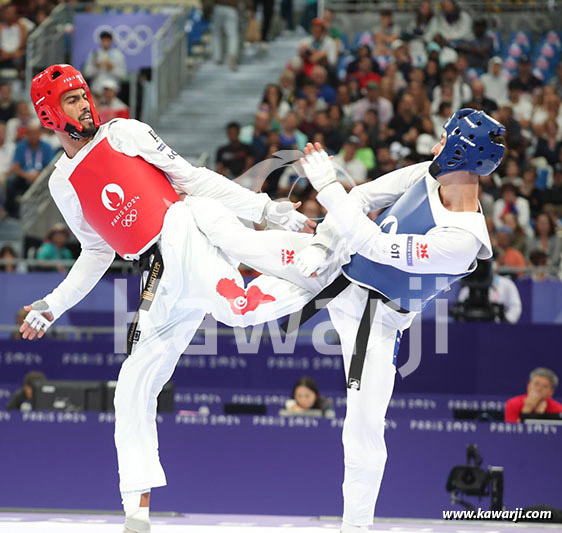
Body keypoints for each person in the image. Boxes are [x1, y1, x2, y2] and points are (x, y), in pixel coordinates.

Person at [22, 64, 318, 533]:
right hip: (156, 271)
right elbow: (97, 251)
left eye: (84, 95)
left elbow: (194, 179)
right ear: (49, 114)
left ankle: (326, 270)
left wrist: (265, 210)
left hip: (183, 230)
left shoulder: (125, 134)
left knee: (237, 309)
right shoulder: (62, 183)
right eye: (71, 100)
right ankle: (136, 515)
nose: (85, 104)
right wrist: (52, 304)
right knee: (133, 385)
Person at [285, 108, 505, 531]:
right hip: (338, 272)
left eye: (444, 140)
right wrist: (322, 243)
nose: (435, 146)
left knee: (363, 429)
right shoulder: (428, 172)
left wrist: (328, 186)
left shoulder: (462, 239)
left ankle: (356, 526)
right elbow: (364, 198)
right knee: (244, 287)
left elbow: (374, 244)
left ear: (461, 152)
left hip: (377, 325)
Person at [5, 120, 55, 218]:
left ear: (40, 134)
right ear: (26, 135)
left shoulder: (47, 147)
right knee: (10, 181)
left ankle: (46, 212)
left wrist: (39, 175)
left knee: (51, 181)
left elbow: (50, 167)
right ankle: (11, 212)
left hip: (41, 176)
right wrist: (26, 175)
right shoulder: (20, 146)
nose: (33, 136)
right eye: (31, 133)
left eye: (36, 133)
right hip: (24, 175)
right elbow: (16, 167)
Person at [457, 269, 522, 323]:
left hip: (498, 326)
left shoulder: (507, 284)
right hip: (471, 326)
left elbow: (515, 307)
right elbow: (460, 307)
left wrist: (506, 321)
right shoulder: (468, 285)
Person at [83, 30, 127, 95]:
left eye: (108, 40)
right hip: (97, 90)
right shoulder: (94, 54)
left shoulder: (118, 55)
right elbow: (86, 73)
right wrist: (96, 67)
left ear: (111, 41)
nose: (105, 42)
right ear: (100, 41)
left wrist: (112, 68)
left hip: (112, 91)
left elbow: (123, 76)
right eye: (103, 40)